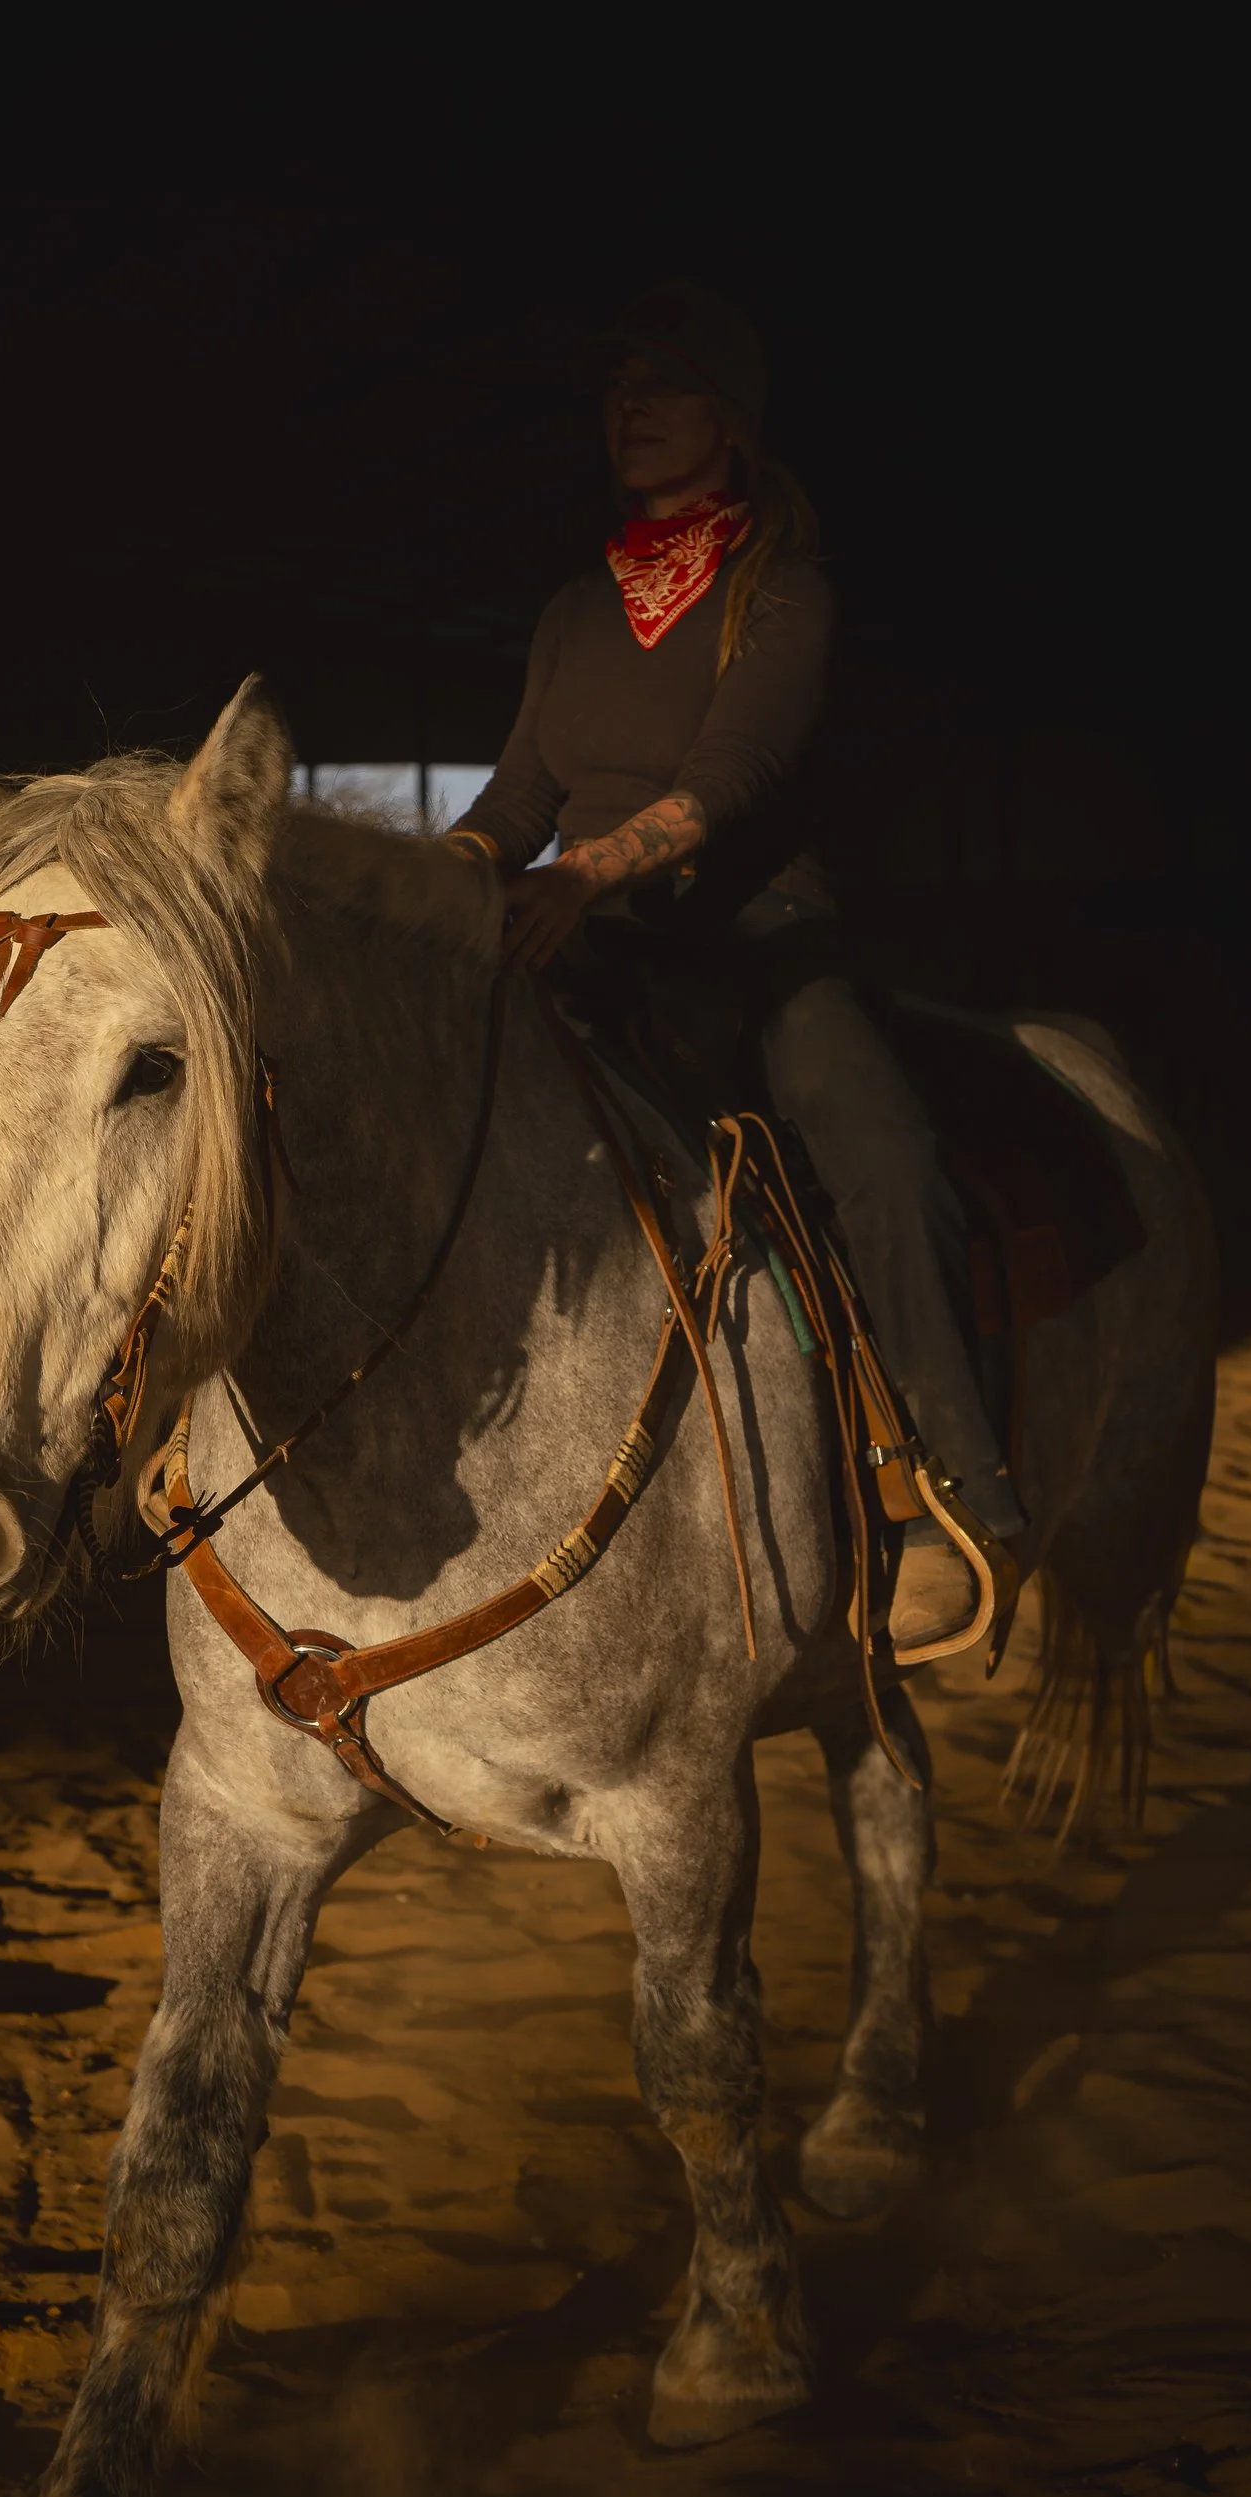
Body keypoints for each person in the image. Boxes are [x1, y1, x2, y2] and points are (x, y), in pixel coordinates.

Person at [445, 280, 1025, 1645]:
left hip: (755, 940)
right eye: (616, 390)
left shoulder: (788, 589)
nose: (628, 410)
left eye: (663, 386)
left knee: (880, 1151)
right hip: (585, 943)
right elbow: (515, 804)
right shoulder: (571, 612)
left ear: (733, 423)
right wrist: (436, 880)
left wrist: (584, 873)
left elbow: (730, 780)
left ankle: (952, 1495)